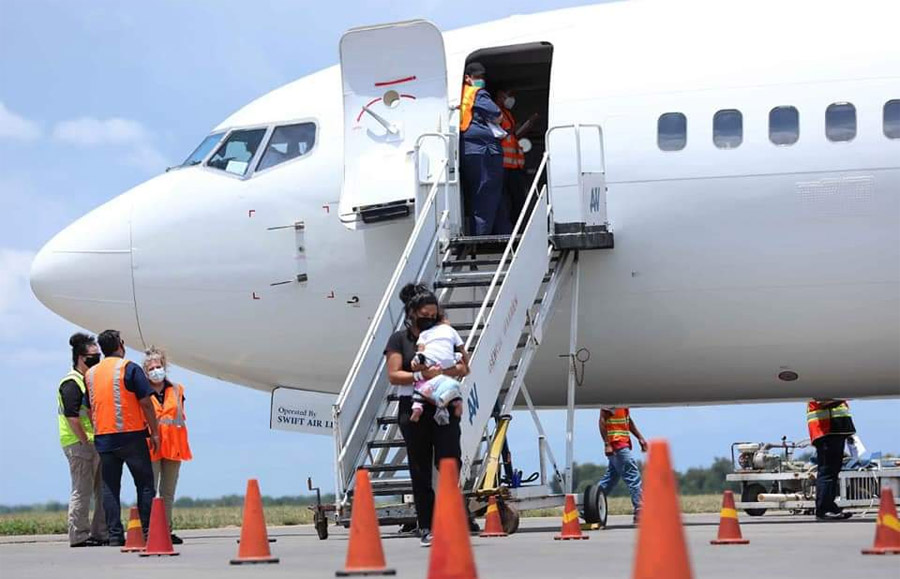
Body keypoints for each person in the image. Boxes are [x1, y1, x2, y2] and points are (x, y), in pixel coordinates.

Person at [384, 283, 470, 546]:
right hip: (414, 406)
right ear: (412, 313)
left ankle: (451, 518)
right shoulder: (400, 339)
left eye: (433, 314)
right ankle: (426, 525)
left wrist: (445, 372)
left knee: (449, 461)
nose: (429, 319)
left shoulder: (443, 335)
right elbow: (394, 374)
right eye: (424, 314)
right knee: (419, 467)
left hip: (443, 402)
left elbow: (464, 367)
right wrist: (422, 374)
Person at [85, 329, 160, 546]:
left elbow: (88, 407)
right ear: (119, 345)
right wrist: (154, 432)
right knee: (145, 484)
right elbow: (146, 402)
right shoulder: (128, 368)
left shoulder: (91, 374)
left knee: (110, 487)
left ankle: (115, 536)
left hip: (104, 438)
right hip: (132, 436)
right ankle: (146, 532)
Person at [58, 333, 108, 547]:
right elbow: (72, 417)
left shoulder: (88, 381)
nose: (97, 359)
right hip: (79, 444)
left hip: (92, 441)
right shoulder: (71, 383)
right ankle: (78, 535)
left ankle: (100, 532)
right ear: (80, 357)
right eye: (93, 356)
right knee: (82, 490)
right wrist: (86, 441)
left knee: (102, 490)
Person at [144, 346, 192, 545]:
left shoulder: (177, 390)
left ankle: (166, 529)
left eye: (158, 366)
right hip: (152, 447)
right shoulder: (142, 392)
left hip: (173, 446)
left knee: (168, 493)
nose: (156, 371)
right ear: (146, 372)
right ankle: (148, 531)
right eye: (152, 368)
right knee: (149, 490)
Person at [459, 62, 511, 236]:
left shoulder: (457, 95)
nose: (480, 81)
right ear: (467, 78)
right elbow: (497, 115)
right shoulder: (477, 93)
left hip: (468, 149)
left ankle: (493, 234)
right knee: (487, 196)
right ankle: (480, 240)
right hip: (484, 150)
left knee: (478, 195)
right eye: (477, 78)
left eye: (482, 78)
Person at [494, 88, 539, 222]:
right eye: (508, 96)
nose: (510, 99)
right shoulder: (496, 112)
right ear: (500, 96)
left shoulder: (507, 113)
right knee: (508, 200)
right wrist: (514, 130)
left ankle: (517, 225)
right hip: (504, 165)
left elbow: (512, 135)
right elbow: (502, 133)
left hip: (514, 165)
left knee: (517, 199)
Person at [411, 315, 466, 424]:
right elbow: (461, 350)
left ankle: (417, 408)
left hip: (429, 373)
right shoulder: (451, 333)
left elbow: (421, 349)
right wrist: (461, 357)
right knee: (451, 392)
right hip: (445, 377)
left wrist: (419, 358)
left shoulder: (425, 334)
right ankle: (457, 403)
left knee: (419, 388)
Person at [807, 399, 856, 521]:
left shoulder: (832, 390)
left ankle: (830, 507)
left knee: (832, 472)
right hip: (827, 432)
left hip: (834, 432)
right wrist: (842, 397)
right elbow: (822, 403)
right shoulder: (824, 390)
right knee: (827, 472)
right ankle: (824, 509)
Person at [597, 407, 648, 524]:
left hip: (622, 443)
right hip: (616, 444)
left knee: (610, 479)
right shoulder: (611, 399)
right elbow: (602, 421)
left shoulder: (623, 400)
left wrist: (640, 438)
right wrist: (607, 444)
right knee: (633, 475)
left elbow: (627, 420)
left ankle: (589, 506)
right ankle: (640, 510)